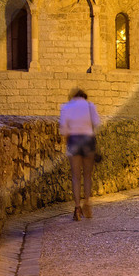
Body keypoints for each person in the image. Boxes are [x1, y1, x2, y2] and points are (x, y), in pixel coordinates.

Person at [58, 88, 101, 220]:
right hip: (88, 140)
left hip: (73, 141)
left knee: (76, 176)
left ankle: (77, 208)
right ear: (84, 96)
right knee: (87, 175)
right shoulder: (90, 106)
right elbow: (97, 124)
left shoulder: (66, 107)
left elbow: (63, 129)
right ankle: (87, 202)